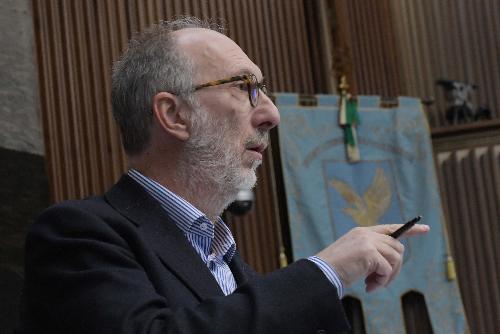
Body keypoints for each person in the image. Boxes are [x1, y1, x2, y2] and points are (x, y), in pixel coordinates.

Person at [18, 17, 429, 334]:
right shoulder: (76, 235)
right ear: (174, 115)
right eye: (246, 87)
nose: (272, 113)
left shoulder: (230, 262)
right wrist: (326, 272)